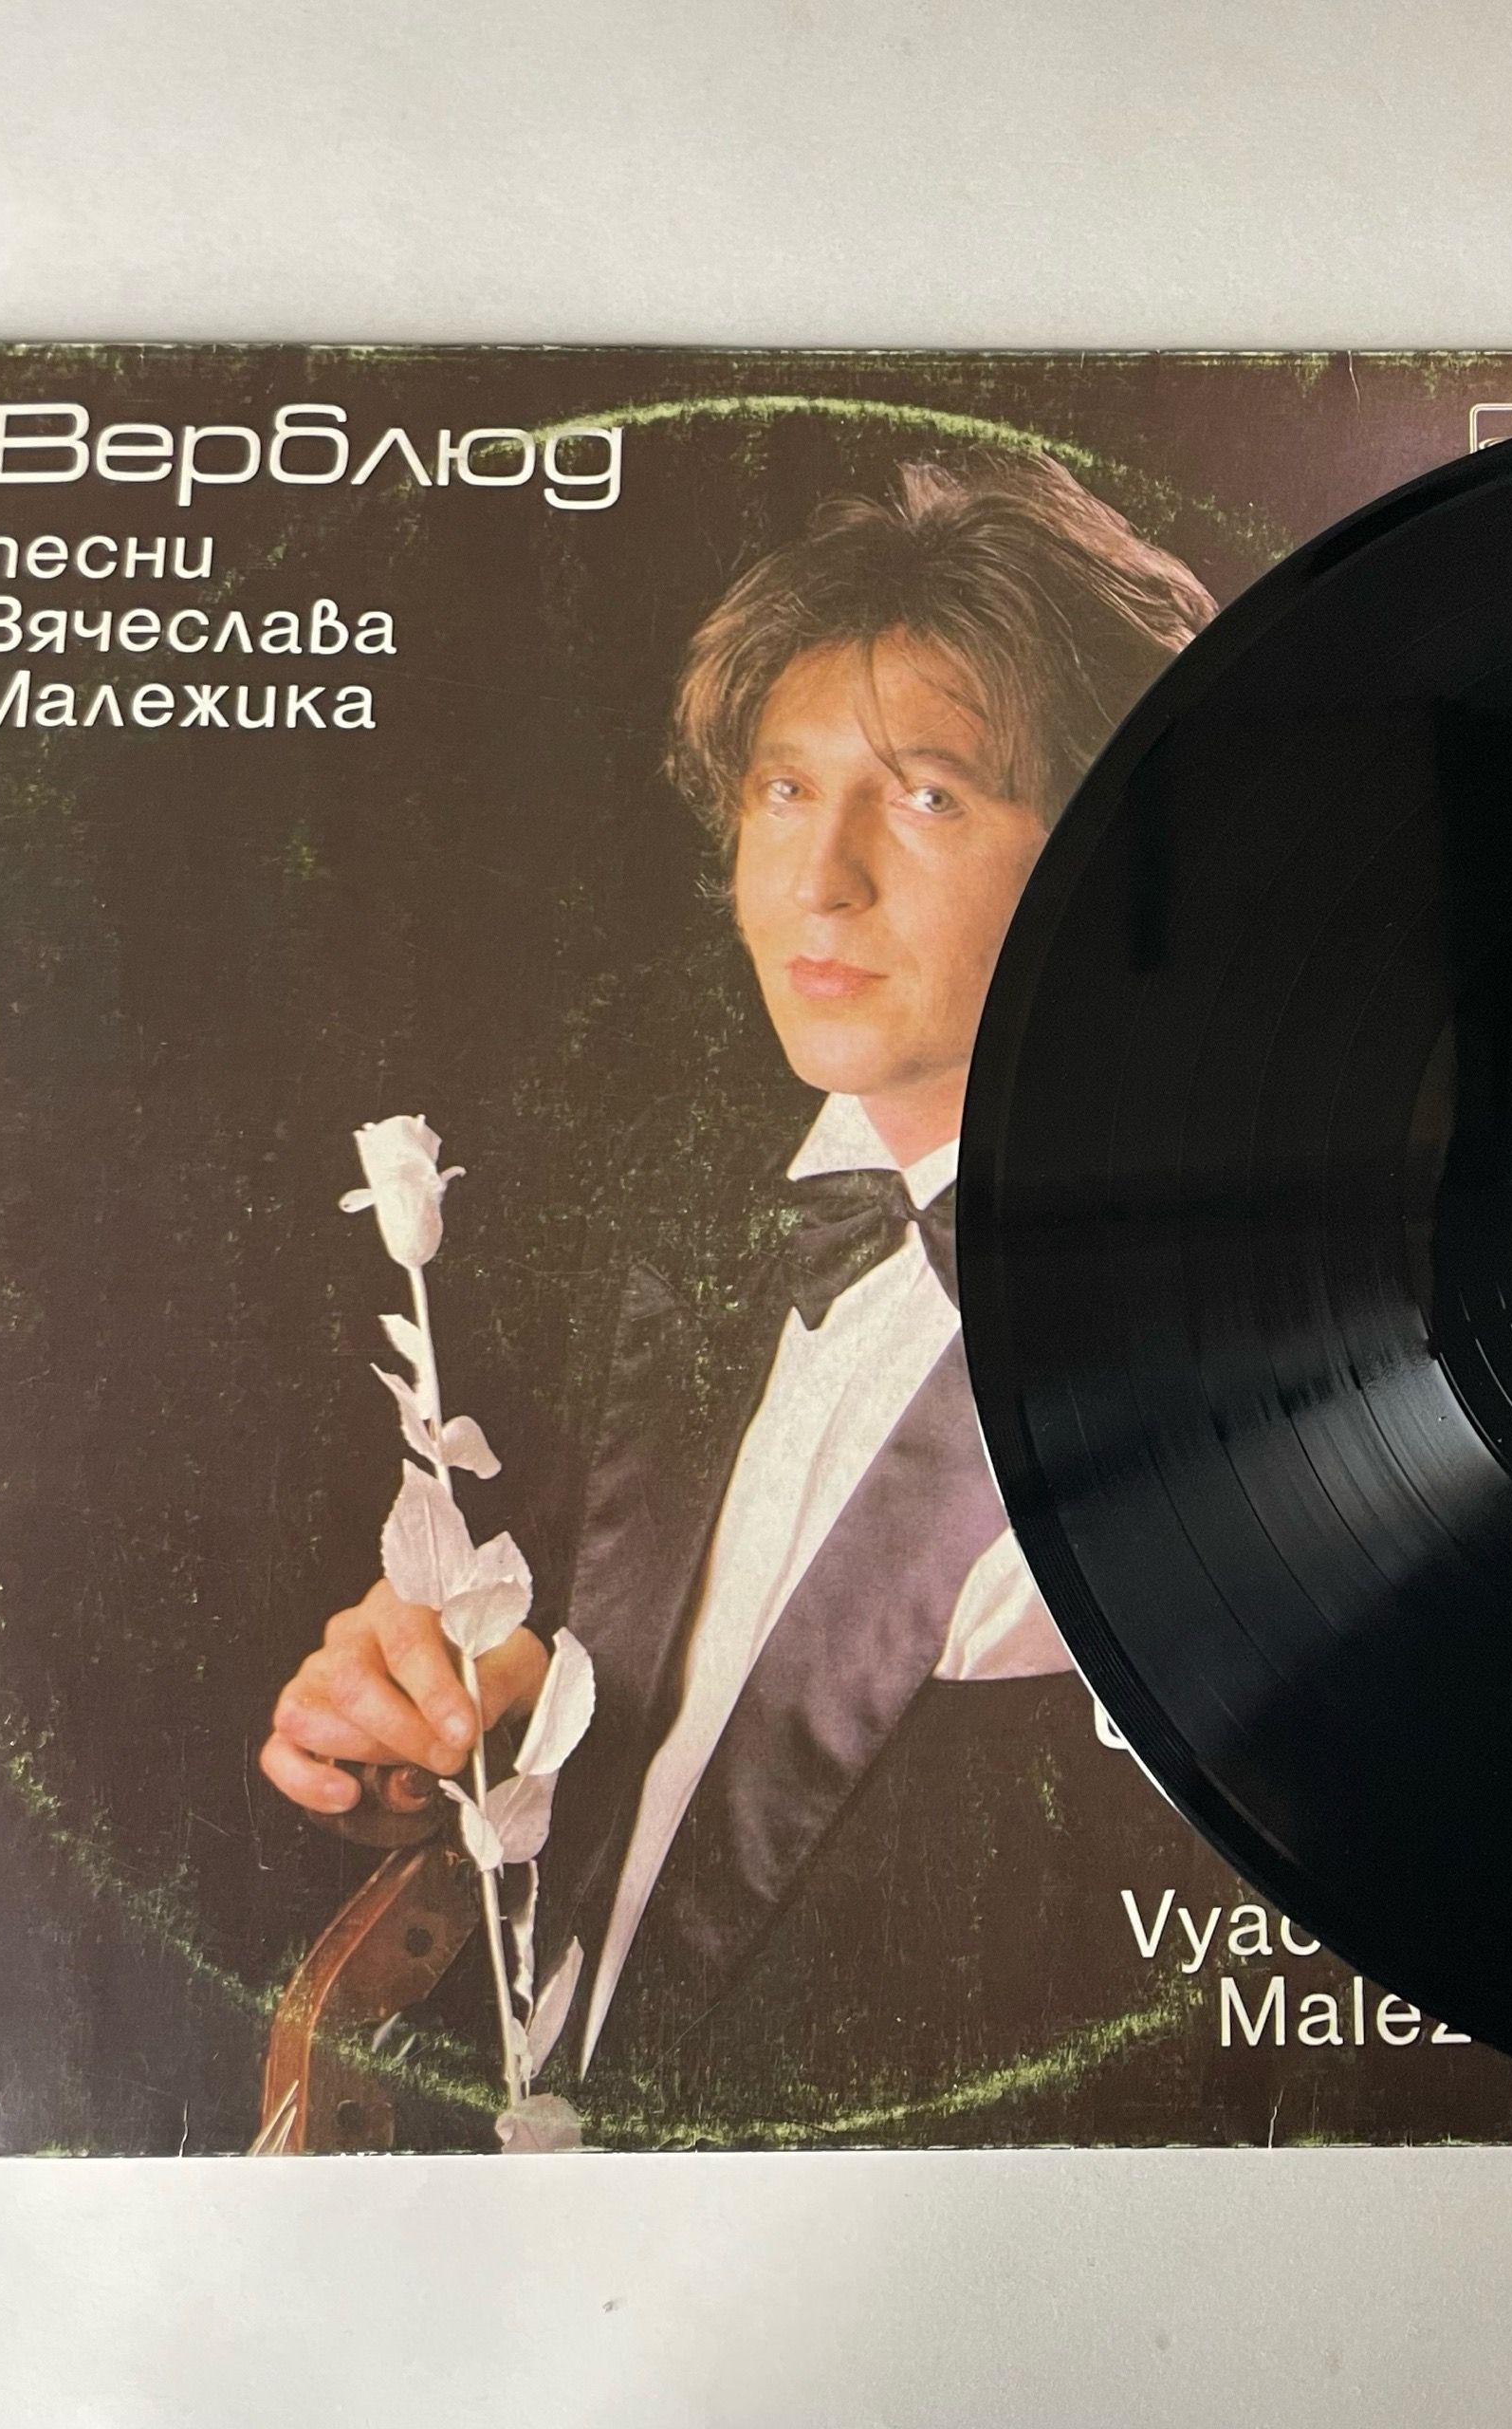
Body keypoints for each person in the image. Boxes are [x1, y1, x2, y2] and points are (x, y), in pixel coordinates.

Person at [259, 453, 1226, 2124]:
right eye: (784, 791)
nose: (819, 880)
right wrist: (415, 1734)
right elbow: (607, 1735)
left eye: (929, 798)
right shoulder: (665, 1249)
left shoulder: (1228, 1345)